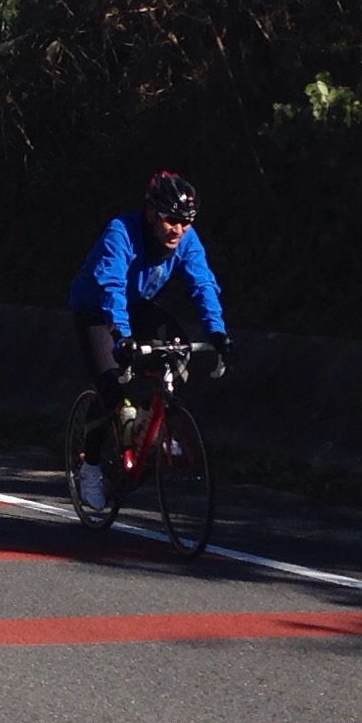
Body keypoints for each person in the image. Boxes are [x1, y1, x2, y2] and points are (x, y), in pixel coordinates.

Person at [67, 170, 228, 510]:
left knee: (179, 349)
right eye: (171, 220)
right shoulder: (121, 232)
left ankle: (147, 421)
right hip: (97, 311)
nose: (178, 230)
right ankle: (90, 466)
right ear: (152, 213)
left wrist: (217, 331)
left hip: (138, 307)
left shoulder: (186, 240)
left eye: (187, 222)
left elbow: (202, 283)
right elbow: (111, 286)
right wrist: (122, 336)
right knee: (111, 386)